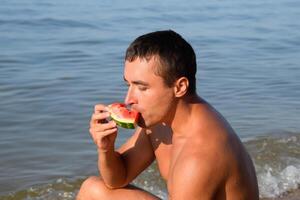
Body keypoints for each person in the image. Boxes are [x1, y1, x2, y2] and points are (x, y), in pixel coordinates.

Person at [77, 30, 259, 200]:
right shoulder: (161, 122)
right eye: (128, 85)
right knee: (92, 189)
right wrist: (105, 149)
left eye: (142, 87)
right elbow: (117, 179)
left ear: (179, 87)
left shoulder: (200, 156)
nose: (129, 99)